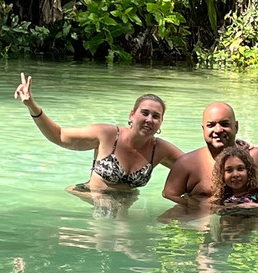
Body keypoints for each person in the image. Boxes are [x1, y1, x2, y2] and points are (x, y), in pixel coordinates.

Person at [14, 73, 183, 191]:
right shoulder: (108, 135)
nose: (149, 120)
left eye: (156, 116)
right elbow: (59, 135)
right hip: (92, 196)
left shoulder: (160, 149)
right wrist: (31, 105)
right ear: (132, 115)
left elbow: (194, 167)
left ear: (161, 122)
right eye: (144, 113)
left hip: (122, 207)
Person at [162, 101, 258, 206]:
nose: (218, 129)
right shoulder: (187, 163)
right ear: (203, 129)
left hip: (253, 229)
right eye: (211, 125)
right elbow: (169, 195)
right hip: (205, 226)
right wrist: (196, 207)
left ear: (236, 127)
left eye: (224, 124)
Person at [209, 146, 258, 210]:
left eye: (240, 169)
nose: (235, 174)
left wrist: (253, 206)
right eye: (229, 170)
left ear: (249, 171)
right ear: (222, 175)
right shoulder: (222, 197)